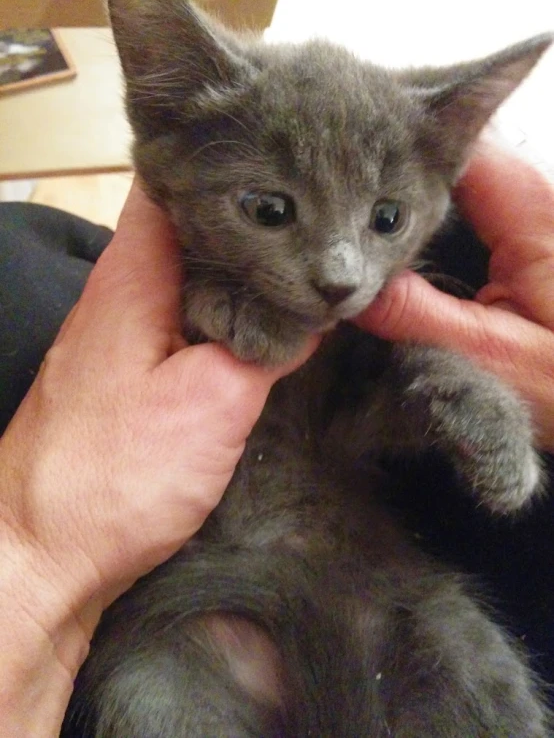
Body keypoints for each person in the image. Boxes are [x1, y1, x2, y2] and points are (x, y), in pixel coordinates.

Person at [0, 139, 553, 734]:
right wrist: (37, 550)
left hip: (376, 593)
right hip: (193, 624)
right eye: (272, 211)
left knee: (472, 670)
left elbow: (367, 412)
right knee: (149, 689)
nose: (338, 271)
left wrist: (457, 392)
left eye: (383, 220)